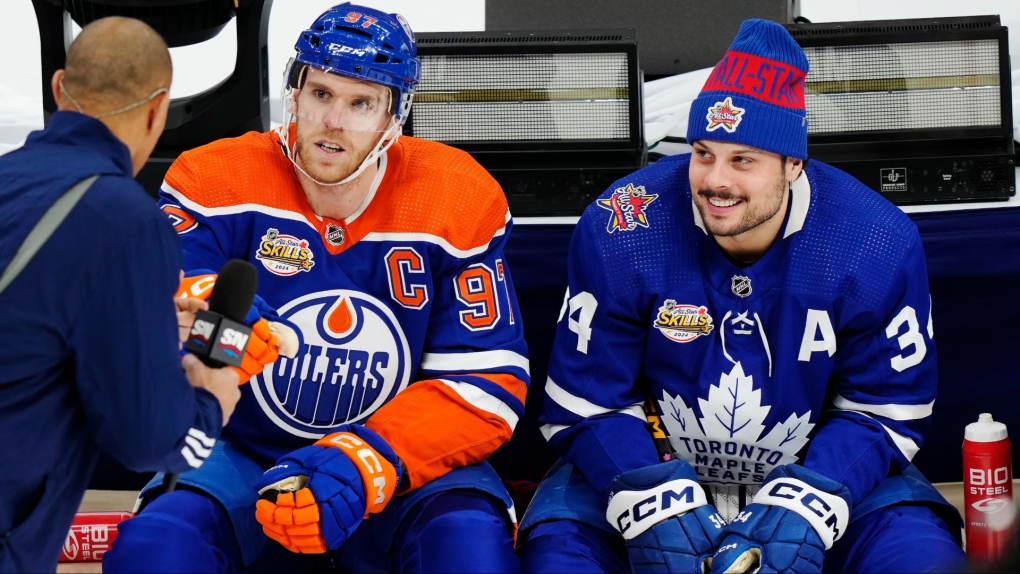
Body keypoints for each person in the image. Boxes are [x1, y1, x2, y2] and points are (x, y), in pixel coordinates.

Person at [516, 19, 968, 574]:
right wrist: (650, 498)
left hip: (814, 467)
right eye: (703, 153)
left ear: (794, 164)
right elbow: (586, 401)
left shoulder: (874, 237)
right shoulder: (622, 223)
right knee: (560, 562)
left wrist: (809, 500)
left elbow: (886, 407)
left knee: (921, 561)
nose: (715, 181)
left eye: (744, 159)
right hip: (652, 463)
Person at [103, 3, 529, 572]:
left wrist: (368, 461)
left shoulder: (456, 195)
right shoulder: (212, 178)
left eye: (361, 103)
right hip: (245, 452)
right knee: (155, 551)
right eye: (322, 94)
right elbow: (163, 316)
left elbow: (488, 382)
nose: (334, 120)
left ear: (394, 116)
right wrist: (226, 338)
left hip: (397, 457)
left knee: (467, 552)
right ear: (294, 94)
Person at [0, 17, 243, 572]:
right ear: (159, 111)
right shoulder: (127, 220)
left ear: (59, 88)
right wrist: (210, 402)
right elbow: (148, 441)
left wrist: (147, 326)